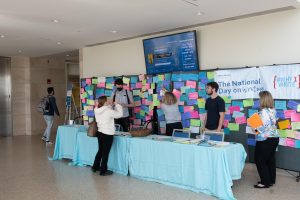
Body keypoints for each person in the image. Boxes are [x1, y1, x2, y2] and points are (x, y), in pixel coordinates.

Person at [254, 91, 279, 189]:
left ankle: (265, 182)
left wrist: (254, 127)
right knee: (270, 160)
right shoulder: (273, 110)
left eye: (259, 98)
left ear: (263, 99)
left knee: (260, 160)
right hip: (274, 137)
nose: (258, 100)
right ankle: (270, 180)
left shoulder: (263, 112)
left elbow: (261, 128)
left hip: (265, 139)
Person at [92, 96, 123, 176]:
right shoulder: (108, 111)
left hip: (100, 133)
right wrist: (117, 105)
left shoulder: (97, 109)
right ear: (105, 102)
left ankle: (95, 167)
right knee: (105, 153)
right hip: (107, 134)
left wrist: (110, 105)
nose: (110, 100)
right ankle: (103, 171)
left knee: (100, 151)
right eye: (108, 99)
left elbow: (104, 108)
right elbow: (120, 114)